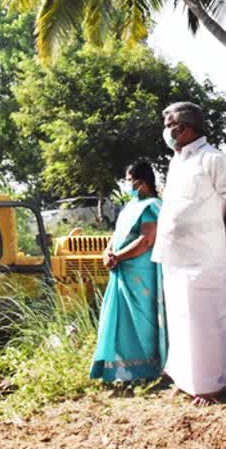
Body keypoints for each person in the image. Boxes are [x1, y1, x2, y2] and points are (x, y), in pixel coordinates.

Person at [151, 101, 226, 406]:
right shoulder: (177, 161)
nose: (166, 130)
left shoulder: (213, 159)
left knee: (205, 319)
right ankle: (186, 377)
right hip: (175, 255)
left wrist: (219, 231)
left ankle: (211, 384)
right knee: (180, 316)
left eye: (169, 125)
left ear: (186, 127)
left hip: (203, 256)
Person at [90, 161, 167, 382]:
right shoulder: (130, 206)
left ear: (142, 182)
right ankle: (121, 370)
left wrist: (118, 257)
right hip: (121, 270)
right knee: (121, 321)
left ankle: (146, 369)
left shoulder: (151, 206)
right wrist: (107, 251)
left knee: (141, 321)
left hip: (140, 274)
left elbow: (146, 241)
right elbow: (116, 235)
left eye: (129, 180)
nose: (127, 184)